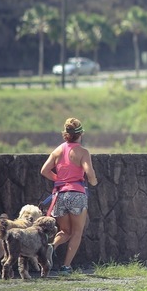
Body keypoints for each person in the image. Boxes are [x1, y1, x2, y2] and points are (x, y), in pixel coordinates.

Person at [40, 117, 98, 275]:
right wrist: (93, 181)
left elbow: (44, 170)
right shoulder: (83, 152)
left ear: (65, 134)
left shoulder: (58, 150)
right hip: (77, 194)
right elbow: (89, 171)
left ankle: (51, 246)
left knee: (64, 231)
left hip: (60, 195)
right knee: (77, 232)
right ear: (81, 134)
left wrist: (59, 179)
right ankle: (65, 267)